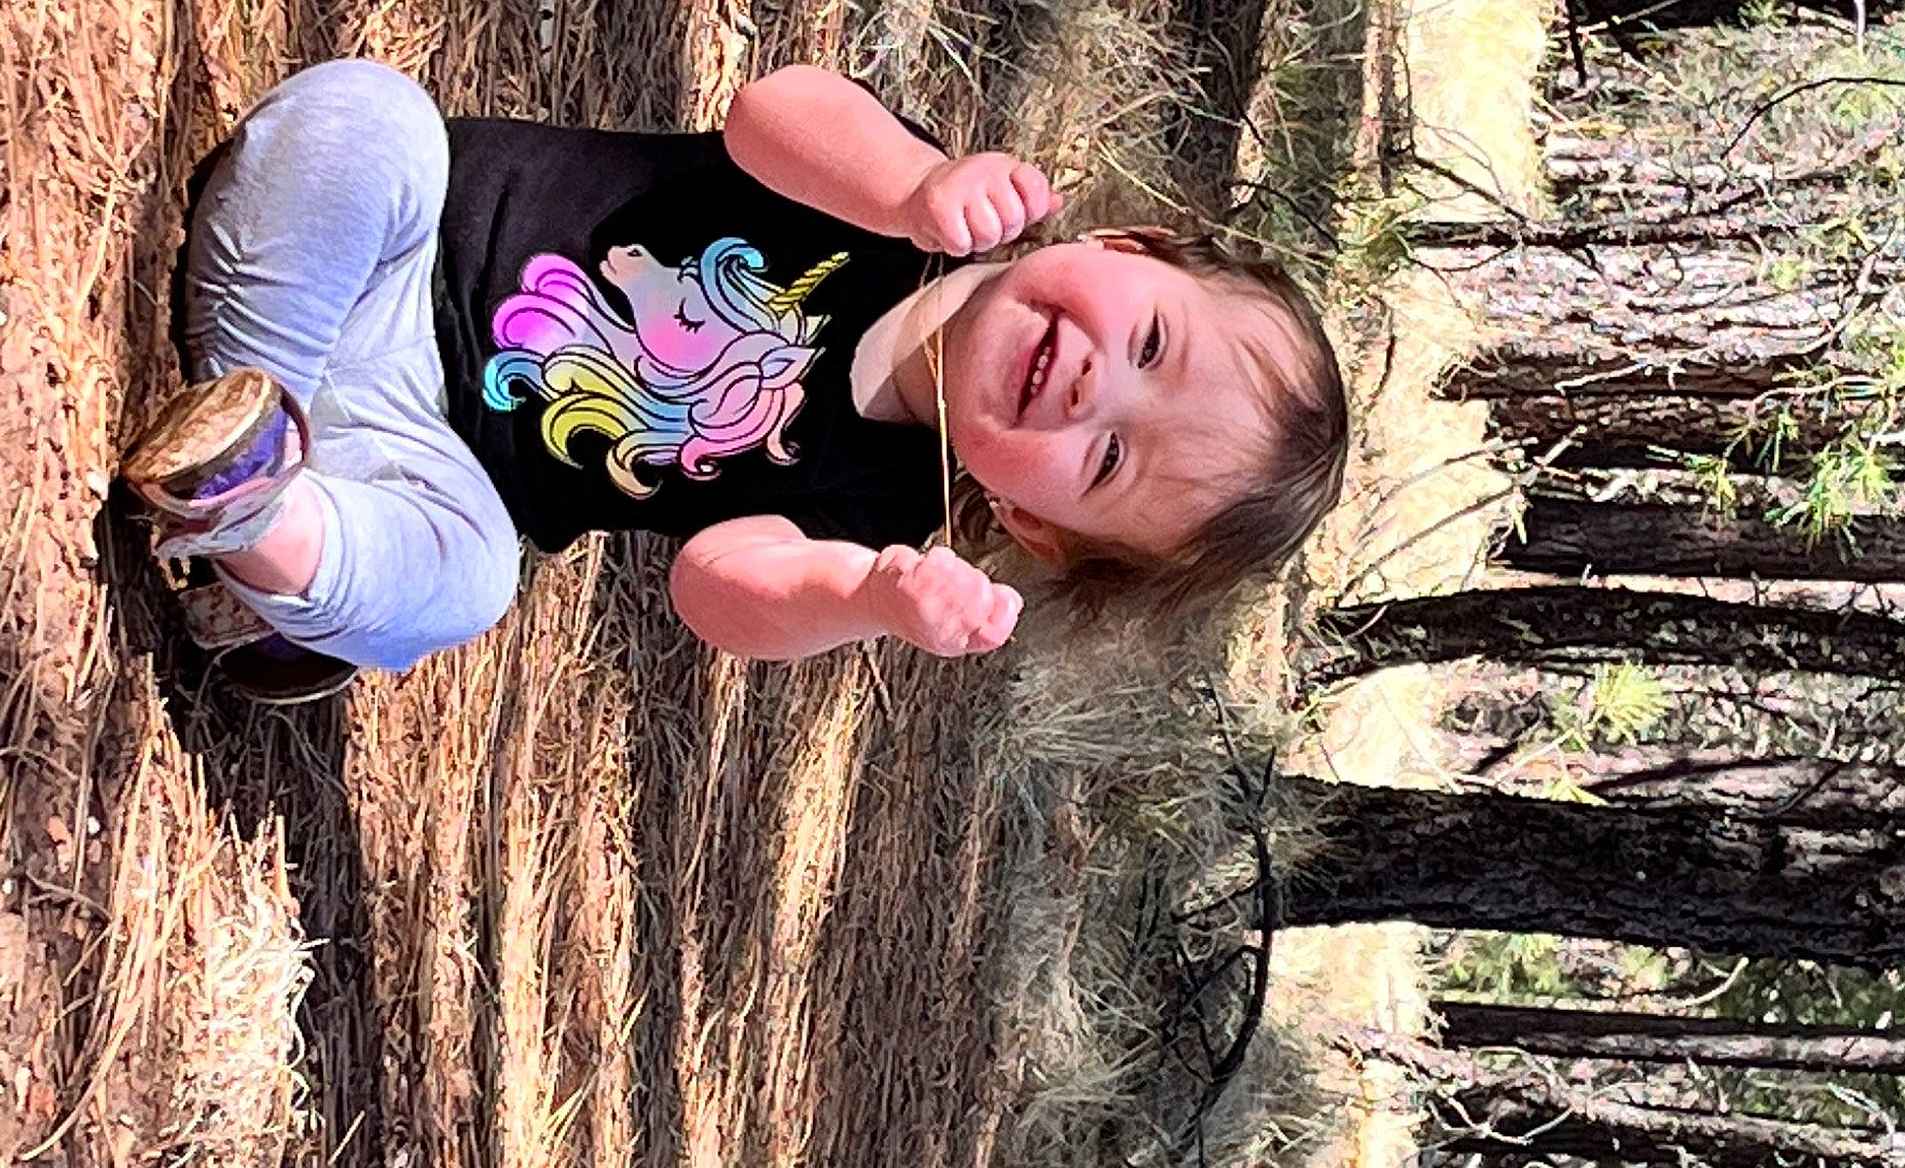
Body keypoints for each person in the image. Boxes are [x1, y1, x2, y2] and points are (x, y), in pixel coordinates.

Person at [124, 60, 1348, 701]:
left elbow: (715, 592)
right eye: (1147, 346)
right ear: (1121, 249)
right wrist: (913, 186)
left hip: (433, 462)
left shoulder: (876, 518)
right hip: (408, 234)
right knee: (368, 118)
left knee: (469, 584)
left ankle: (262, 515)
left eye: (1109, 460)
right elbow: (772, 112)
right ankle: (254, 419)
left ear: (1029, 521)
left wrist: (864, 596)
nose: (1094, 387)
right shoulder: (906, 208)